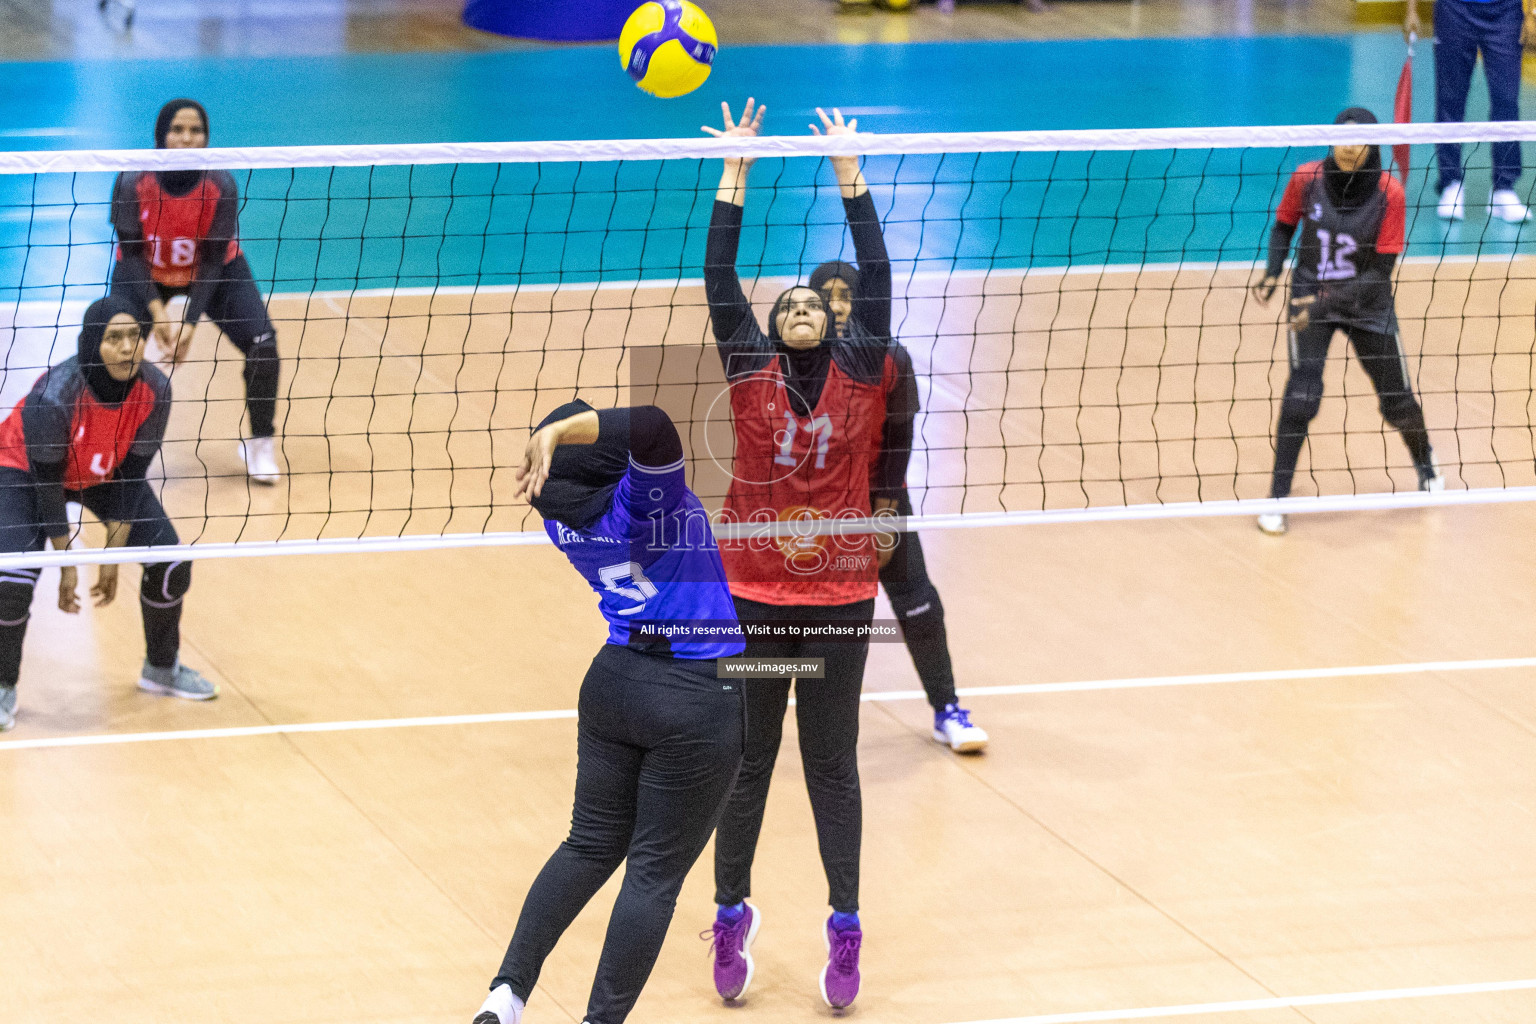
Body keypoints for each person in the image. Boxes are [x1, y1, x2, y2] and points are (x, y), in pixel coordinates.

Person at [701, 99, 916, 1011]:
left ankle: (845, 928)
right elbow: (719, 275)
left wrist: (847, 172)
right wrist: (735, 173)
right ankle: (730, 916)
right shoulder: (746, 369)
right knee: (747, 761)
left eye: (807, 305)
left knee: (832, 766)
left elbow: (874, 271)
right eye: (781, 304)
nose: (794, 308)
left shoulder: (865, 366)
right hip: (753, 594)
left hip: (835, 600)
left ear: (830, 324)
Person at [473, 401, 745, 1024]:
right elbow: (652, 423)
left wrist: (559, 442)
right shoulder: (647, 501)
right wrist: (566, 429)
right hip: (697, 694)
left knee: (588, 846)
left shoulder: (561, 519)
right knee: (652, 875)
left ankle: (506, 995)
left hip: (615, 684)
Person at [0, 295, 215, 731]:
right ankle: (3, 685)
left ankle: (161, 668)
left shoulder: (155, 390)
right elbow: (47, 488)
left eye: (134, 336)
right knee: (13, 580)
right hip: (26, 471)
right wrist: (67, 567)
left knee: (171, 561)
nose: (126, 348)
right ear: (93, 344)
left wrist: (112, 556)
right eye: (113, 338)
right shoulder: (54, 398)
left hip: (104, 473)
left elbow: (133, 477)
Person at [808, 260, 988, 754]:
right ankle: (745, 710)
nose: (840, 303)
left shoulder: (891, 358)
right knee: (775, 615)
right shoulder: (790, 357)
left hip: (876, 496)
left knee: (916, 598)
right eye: (829, 293)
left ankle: (947, 708)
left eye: (849, 294)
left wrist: (884, 508)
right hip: (808, 505)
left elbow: (899, 438)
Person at [1250, 107, 1441, 537]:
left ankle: (1427, 465)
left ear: (1372, 145)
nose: (1347, 146)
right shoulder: (1307, 177)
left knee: (1396, 401)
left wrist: (1321, 305)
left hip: (1366, 303)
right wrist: (1273, 272)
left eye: (1357, 140)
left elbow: (1380, 273)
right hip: (1309, 298)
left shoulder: (1389, 192)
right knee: (1303, 395)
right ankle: (1277, 498)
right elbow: (1284, 225)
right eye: (1340, 138)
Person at [109, 98, 283, 483]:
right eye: (177, 130)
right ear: (160, 137)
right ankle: (109, 446)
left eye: (196, 131)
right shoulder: (131, 179)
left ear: (206, 138)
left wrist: (188, 324)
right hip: (145, 274)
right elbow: (132, 255)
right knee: (108, 352)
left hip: (215, 272)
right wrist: (158, 314)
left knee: (264, 347)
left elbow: (212, 260)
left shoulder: (219, 183)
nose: (187, 139)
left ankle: (260, 444)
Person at [1405, 0, 1536, 222]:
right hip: (1453, 10)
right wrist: (1411, 10)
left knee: (1507, 100)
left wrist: (1532, 13)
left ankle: (1504, 189)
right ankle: (1451, 183)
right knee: (1450, 100)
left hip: (1506, 12)